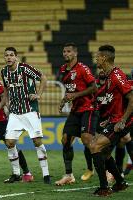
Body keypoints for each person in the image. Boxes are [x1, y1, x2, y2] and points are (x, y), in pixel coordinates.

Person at [0, 47, 51, 184]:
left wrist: (39, 94)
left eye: (11, 55)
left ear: (16, 57)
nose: (9, 57)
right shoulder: (4, 71)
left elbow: (43, 78)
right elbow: (6, 89)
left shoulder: (25, 68)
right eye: (6, 55)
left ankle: (46, 175)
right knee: (9, 142)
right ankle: (16, 174)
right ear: (4, 58)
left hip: (30, 111)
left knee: (37, 141)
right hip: (15, 113)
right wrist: (7, 103)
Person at [90, 45, 131, 196]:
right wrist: (108, 120)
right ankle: (120, 183)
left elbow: (131, 98)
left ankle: (104, 188)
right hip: (114, 120)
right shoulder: (108, 77)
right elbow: (116, 101)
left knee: (94, 145)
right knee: (105, 153)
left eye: (98, 56)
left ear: (104, 58)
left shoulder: (116, 75)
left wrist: (122, 120)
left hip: (122, 121)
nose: (96, 59)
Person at [55, 43, 98, 185]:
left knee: (87, 140)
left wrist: (76, 95)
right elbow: (70, 91)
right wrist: (63, 101)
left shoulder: (83, 69)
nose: (65, 54)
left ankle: (107, 171)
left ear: (75, 54)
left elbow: (94, 88)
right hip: (76, 110)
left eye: (68, 51)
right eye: (63, 51)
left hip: (88, 108)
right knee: (65, 140)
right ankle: (69, 175)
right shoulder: (63, 69)